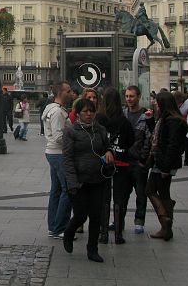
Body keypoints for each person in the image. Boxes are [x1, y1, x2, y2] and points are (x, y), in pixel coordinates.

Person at [62, 98, 114, 263]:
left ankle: (92, 249)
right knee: (80, 216)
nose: (89, 114)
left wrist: (109, 152)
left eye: (91, 111)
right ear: (77, 113)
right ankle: (69, 233)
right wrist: (72, 183)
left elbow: (108, 146)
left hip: (98, 179)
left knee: (96, 216)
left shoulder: (100, 130)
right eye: (85, 111)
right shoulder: (71, 132)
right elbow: (68, 158)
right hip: (79, 180)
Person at [147, 91, 188, 241]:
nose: (155, 104)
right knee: (163, 192)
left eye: (157, 102)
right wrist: (150, 121)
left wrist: (166, 167)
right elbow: (158, 136)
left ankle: (165, 220)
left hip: (164, 162)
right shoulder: (166, 119)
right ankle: (166, 226)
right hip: (161, 160)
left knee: (151, 189)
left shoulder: (172, 121)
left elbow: (173, 146)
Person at [95, 87, 135, 244]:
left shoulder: (99, 118)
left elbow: (95, 140)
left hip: (104, 163)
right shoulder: (124, 120)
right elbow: (131, 140)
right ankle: (118, 234)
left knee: (104, 198)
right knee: (119, 198)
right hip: (122, 162)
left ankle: (103, 233)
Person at [44, 81, 75, 239]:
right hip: (59, 153)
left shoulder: (55, 110)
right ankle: (60, 227)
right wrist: (72, 145)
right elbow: (58, 137)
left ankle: (53, 226)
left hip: (53, 153)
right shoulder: (57, 112)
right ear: (60, 93)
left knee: (56, 190)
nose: (71, 93)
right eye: (68, 91)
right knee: (67, 190)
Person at [122, 85, 155, 235]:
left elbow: (150, 138)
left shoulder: (146, 115)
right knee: (122, 194)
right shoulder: (123, 114)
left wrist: (144, 159)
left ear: (138, 97)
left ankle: (139, 221)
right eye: (127, 96)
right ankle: (119, 220)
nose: (129, 99)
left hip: (138, 162)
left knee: (141, 193)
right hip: (124, 161)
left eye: (132, 96)